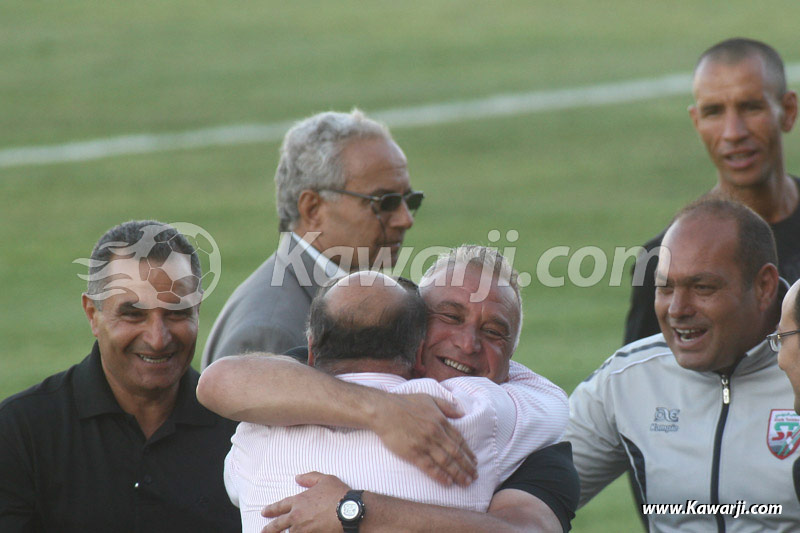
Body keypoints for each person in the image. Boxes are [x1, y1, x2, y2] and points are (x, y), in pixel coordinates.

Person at [198, 245, 578, 532]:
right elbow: (221, 381)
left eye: (494, 333)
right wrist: (384, 411)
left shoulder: (533, 443)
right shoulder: (305, 377)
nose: (468, 344)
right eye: (449, 316)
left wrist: (355, 509)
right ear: (412, 327)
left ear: (511, 359)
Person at [568, 199, 800, 531]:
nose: (677, 309)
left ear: (763, 286)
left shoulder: (797, 369)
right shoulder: (628, 379)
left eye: (702, 287)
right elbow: (531, 493)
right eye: (665, 287)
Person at [0, 220, 240, 533]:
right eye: (133, 314)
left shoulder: (240, 430)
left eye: (176, 312)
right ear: (92, 315)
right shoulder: (20, 433)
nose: (157, 338)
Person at [202, 110, 422, 367]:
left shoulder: (332, 297)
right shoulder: (271, 333)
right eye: (386, 203)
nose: (405, 219)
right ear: (312, 209)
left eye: (410, 200)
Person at [624, 37, 800, 345]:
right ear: (697, 121)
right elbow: (645, 379)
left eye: (751, 107)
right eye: (714, 112)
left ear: (787, 111)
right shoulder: (664, 261)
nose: (734, 132)